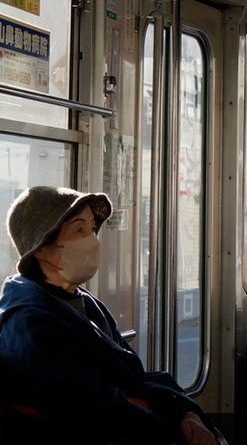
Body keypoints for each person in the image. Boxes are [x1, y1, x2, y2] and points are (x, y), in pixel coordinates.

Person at [0, 186, 220, 444]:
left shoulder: (82, 302)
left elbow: (133, 377)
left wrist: (185, 412)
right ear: (41, 248)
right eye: (79, 230)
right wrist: (174, 430)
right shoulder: (29, 323)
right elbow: (94, 410)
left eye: (92, 228)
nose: (92, 239)